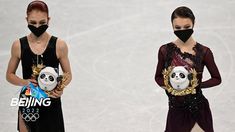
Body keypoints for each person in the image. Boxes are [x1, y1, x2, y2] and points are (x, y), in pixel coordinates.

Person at [6, 1, 72, 132]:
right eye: (33, 23)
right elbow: (9, 75)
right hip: (29, 101)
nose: (37, 26)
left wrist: (61, 87)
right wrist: (24, 82)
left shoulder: (59, 45)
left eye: (42, 23)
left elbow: (68, 74)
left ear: (48, 20)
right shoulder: (18, 45)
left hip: (51, 100)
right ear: (27, 20)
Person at [155, 6, 221, 132]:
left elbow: (217, 78)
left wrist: (195, 85)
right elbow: (157, 77)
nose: (182, 31)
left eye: (186, 27)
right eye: (177, 28)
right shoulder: (165, 51)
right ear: (172, 26)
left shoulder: (203, 52)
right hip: (176, 110)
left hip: (198, 110)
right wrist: (169, 86)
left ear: (193, 23)